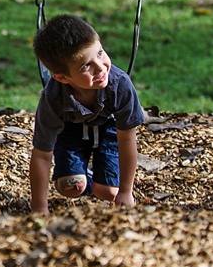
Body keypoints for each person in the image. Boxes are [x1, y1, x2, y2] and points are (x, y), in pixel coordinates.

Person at [29, 14, 145, 215]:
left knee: (108, 192)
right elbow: (41, 155)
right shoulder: (53, 97)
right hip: (70, 129)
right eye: (86, 66)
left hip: (108, 128)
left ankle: (100, 182)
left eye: (100, 53)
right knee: (70, 187)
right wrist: (40, 208)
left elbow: (126, 138)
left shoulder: (120, 85)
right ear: (62, 77)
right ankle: (87, 178)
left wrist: (126, 192)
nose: (101, 68)